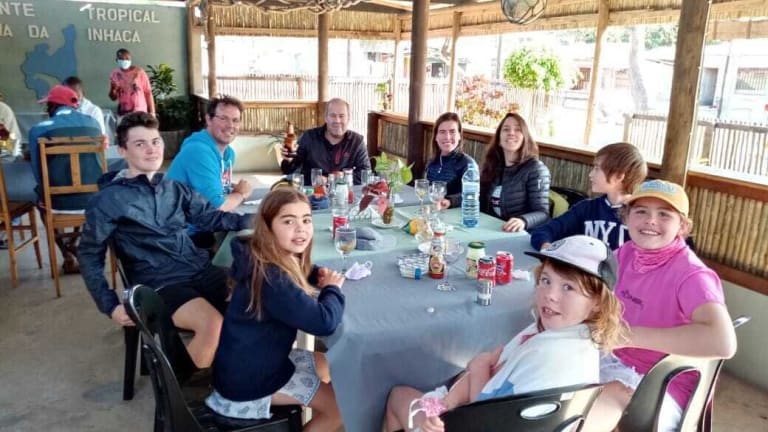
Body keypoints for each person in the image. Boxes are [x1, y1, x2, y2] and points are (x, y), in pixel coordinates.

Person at [384, 235, 625, 432]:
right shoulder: (573, 339)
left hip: (478, 424)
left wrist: (479, 367)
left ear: (598, 302)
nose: (550, 295)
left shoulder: (548, 358)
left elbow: (485, 418)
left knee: (399, 396)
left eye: (568, 287)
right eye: (546, 280)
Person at [78, 112, 252, 368]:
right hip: (159, 282)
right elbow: (89, 255)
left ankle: (238, 371)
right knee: (212, 325)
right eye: (140, 144)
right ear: (123, 150)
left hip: (198, 269)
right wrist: (110, 305)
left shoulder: (172, 188)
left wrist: (261, 220)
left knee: (257, 299)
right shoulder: (108, 200)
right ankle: (180, 389)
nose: (151, 150)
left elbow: (211, 218)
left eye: (155, 141)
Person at [583, 180, 737, 432]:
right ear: (626, 218)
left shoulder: (691, 275)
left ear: (682, 226)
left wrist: (627, 335)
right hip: (614, 360)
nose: (651, 221)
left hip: (661, 385)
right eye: (641, 211)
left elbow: (723, 342)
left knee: (587, 414)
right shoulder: (626, 253)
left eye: (664, 214)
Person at [207, 187, 344, 431]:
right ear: (268, 228)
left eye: (306, 220)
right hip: (249, 384)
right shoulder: (271, 277)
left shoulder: (261, 255)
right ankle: (314, 410)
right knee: (341, 408)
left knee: (325, 362)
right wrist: (332, 289)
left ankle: (306, 408)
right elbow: (324, 322)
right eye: (288, 221)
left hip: (244, 365)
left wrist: (314, 274)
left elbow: (294, 275)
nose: (300, 228)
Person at [29, 84, 105, 273]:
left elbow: (38, 173)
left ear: (52, 106)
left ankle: (67, 253)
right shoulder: (94, 125)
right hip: (94, 201)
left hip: (58, 203)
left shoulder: (38, 130)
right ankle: (74, 244)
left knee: (41, 199)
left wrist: (43, 192)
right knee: (81, 187)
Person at [167, 95, 253, 248]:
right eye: (223, 118)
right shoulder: (199, 151)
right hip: (181, 236)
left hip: (201, 226)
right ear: (209, 119)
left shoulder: (228, 154)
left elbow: (216, 191)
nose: (230, 125)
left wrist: (232, 189)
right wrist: (241, 194)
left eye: (235, 120)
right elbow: (216, 206)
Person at [530, 142, 647, 251]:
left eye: (597, 168)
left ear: (618, 176)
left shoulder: (641, 216)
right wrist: (548, 248)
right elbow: (543, 232)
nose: (590, 174)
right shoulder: (586, 208)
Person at [479, 112, 551, 232]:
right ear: (499, 140)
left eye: (518, 129)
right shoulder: (493, 166)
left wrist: (523, 221)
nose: (511, 133)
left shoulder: (536, 169)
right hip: (494, 230)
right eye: (506, 129)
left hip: (524, 234)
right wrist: (451, 200)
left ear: (525, 138)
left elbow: (543, 213)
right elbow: (476, 197)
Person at [280, 98, 371, 184]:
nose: (337, 120)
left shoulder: (357, 141)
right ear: (326, 118)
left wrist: (336, 178)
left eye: (341, 116)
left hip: (344, 191)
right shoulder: (309, 137)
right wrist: (288, 160)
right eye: (332, 115)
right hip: (311, 191)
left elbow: (366, 174)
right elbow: (288, 170)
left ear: (348, 118)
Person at [426, 112, 475, 209]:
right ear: (436, 137)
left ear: (459, 135)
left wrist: (450, 201)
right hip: (434, 211)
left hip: (457, 214)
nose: (447, 137)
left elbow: (473, 194)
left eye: (452, 132)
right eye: (442, 132)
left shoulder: (468, 164)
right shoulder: (432, 162)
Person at [108, 48, 155, 117]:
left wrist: (152, 113)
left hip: (140, 112)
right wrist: (113, 89)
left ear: (130, 60)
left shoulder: (139, 72)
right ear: (116, 60)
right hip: (124, 112)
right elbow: (113, 98)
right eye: (121, 59)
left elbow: (148, 93)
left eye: (127, 59)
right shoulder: (114, 74)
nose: (124, 61)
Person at [63, 76, 108, 145]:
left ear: (83, 94)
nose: (74, 97)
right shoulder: (60, 111)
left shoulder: (94, 111)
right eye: (68, 94)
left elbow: (100, 137)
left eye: (77, 95)